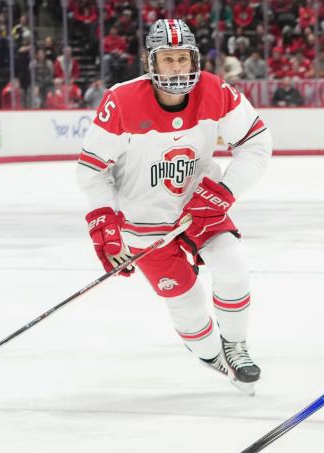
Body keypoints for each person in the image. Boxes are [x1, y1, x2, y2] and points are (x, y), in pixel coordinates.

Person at [76, 18, 272, 392]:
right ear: (152, 63)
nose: (178, 67)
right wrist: (103, 220)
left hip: (201, 212)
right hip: (143, 226)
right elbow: (92, 169)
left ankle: (235, 345)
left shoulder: (216, 91)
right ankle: (210, 353)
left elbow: (256, 143)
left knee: (232, 264)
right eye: (168, 59)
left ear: (195, 59)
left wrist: (223, 191)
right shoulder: (121, 101)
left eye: (183, 58)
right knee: (188, 303)